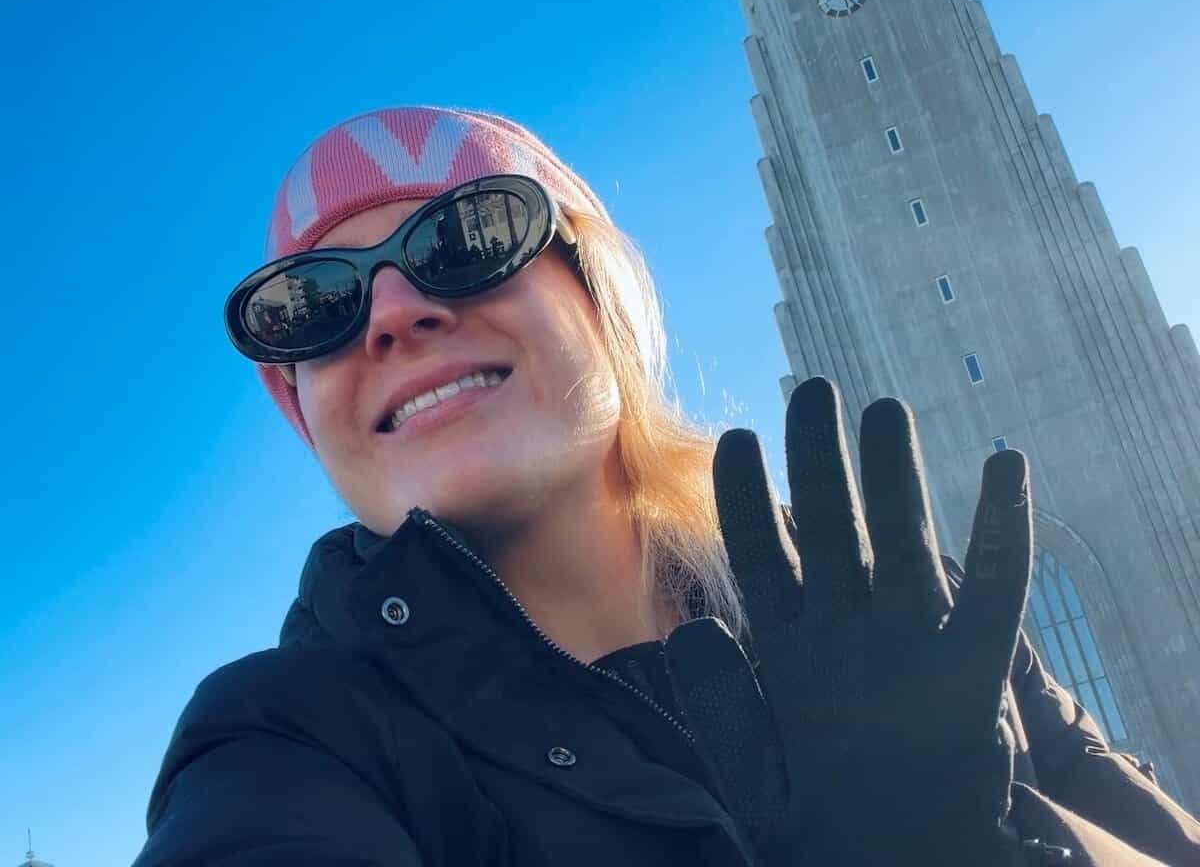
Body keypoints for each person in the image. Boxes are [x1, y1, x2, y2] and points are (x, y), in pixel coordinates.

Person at [133, 105, 1200, 866]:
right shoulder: (288, 741)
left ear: (602, 300)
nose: (393, 312)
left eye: (467, 237)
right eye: (312, 306)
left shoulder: (910, 613)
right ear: (304, 410)